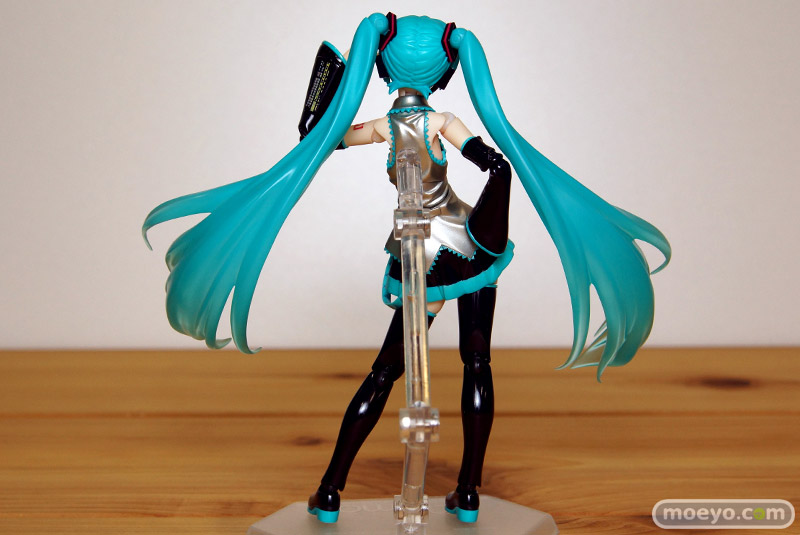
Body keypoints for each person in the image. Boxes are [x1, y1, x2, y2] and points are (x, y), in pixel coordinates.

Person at [143, 13, 671, 524]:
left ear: (382, 67)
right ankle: (468, 491)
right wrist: (492, 183)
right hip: (467, 247)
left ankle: (331, 490)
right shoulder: (441, 121)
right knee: (477, 363)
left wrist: (320, 108)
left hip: (422, 255)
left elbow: (326, 141)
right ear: (445, 73)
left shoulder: (384, 127)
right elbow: (490, 160)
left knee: (385, 372)